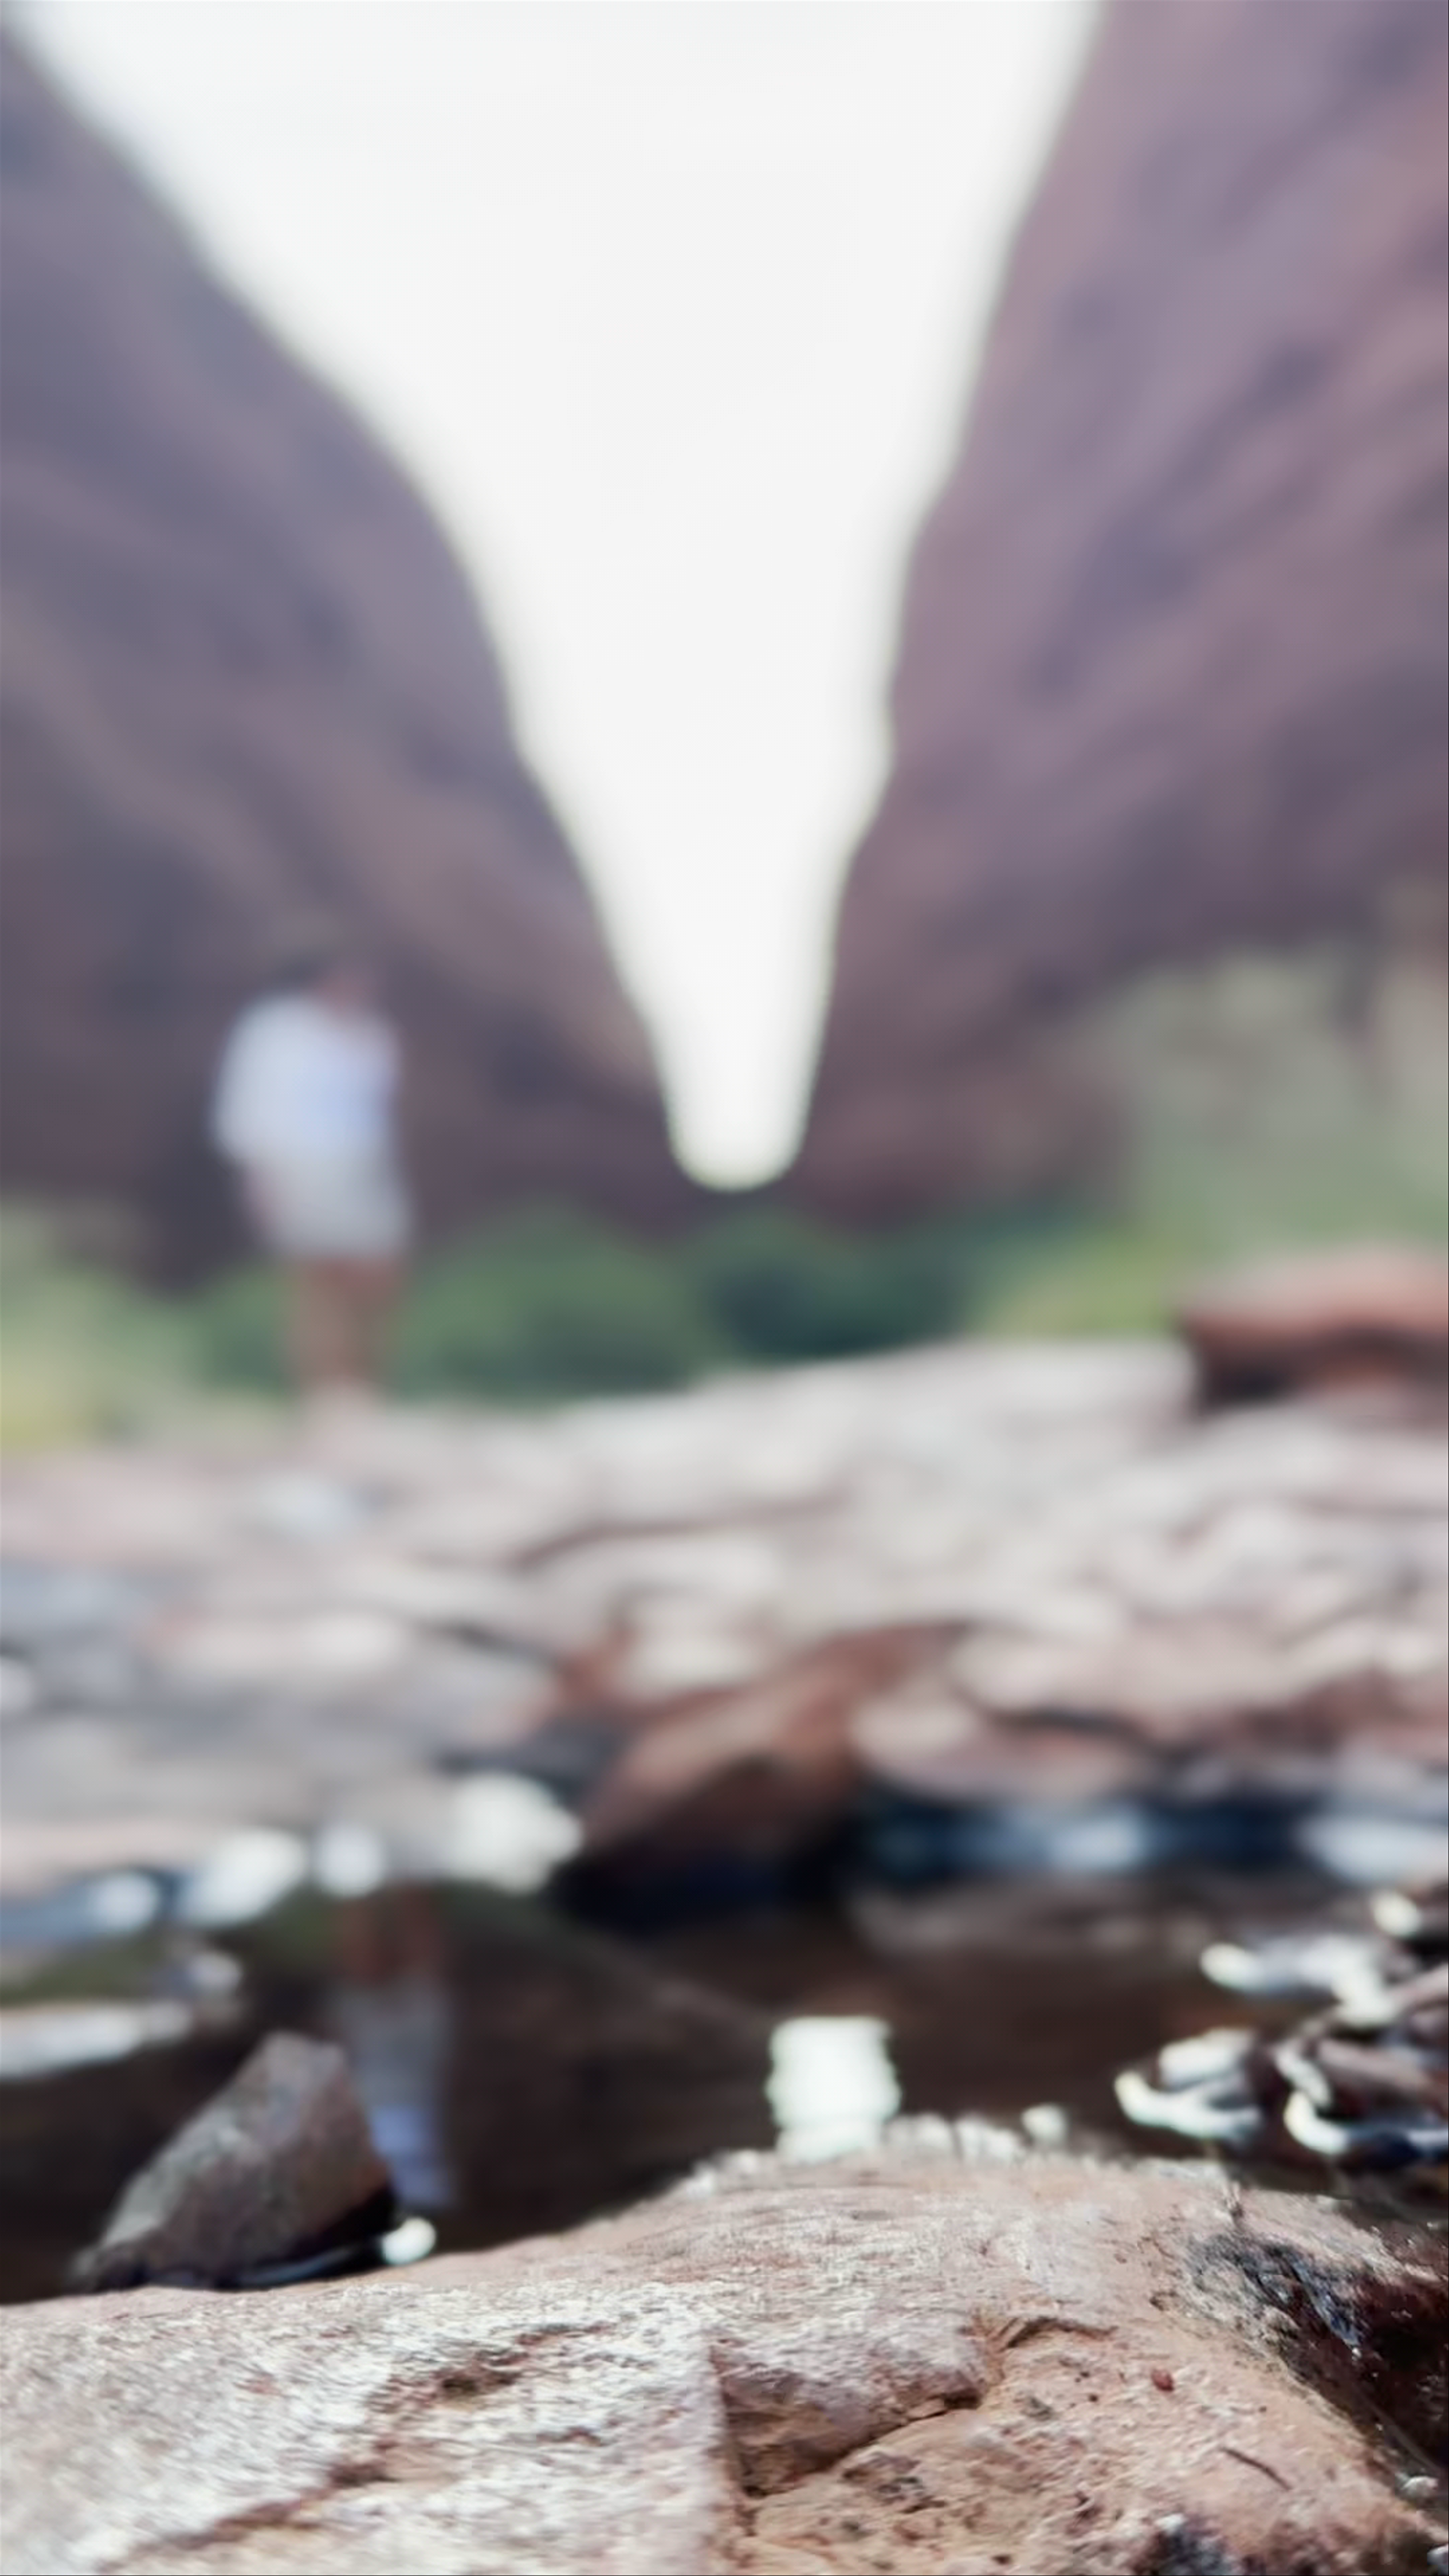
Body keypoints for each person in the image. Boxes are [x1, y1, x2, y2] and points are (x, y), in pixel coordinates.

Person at [211, 938, 410, 1396]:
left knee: (377, 1277)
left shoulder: (371, 1033)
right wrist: (261, 1177)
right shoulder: (275, 1031)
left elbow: (378, 1108)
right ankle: (321, 1394)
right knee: (315, 1282)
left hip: (362, 1164)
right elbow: (249, 1104)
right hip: (299, 1165)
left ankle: (364, 1386)